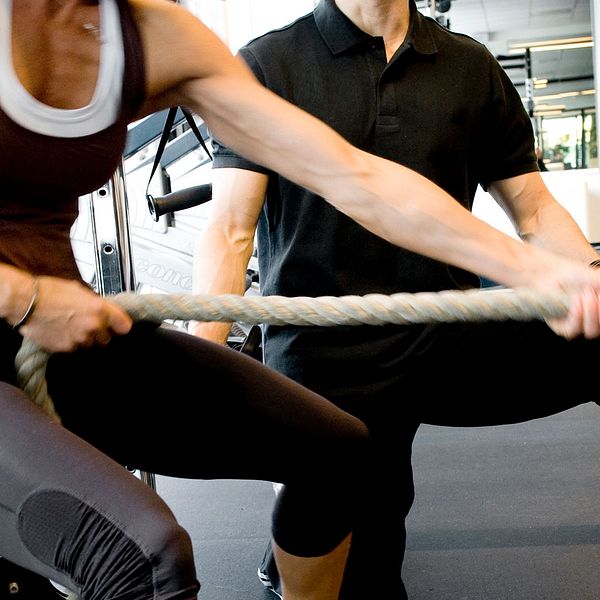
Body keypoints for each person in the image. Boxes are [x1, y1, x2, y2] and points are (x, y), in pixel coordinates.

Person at [190, 1, 600, 598]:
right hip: (324, 355)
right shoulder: (270, 62)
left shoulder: (468, 65)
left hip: (445, 332)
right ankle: (300, 553)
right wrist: (206, 370)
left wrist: (588, 275)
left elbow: (533, 207)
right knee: (369, 572)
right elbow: (230, 229)